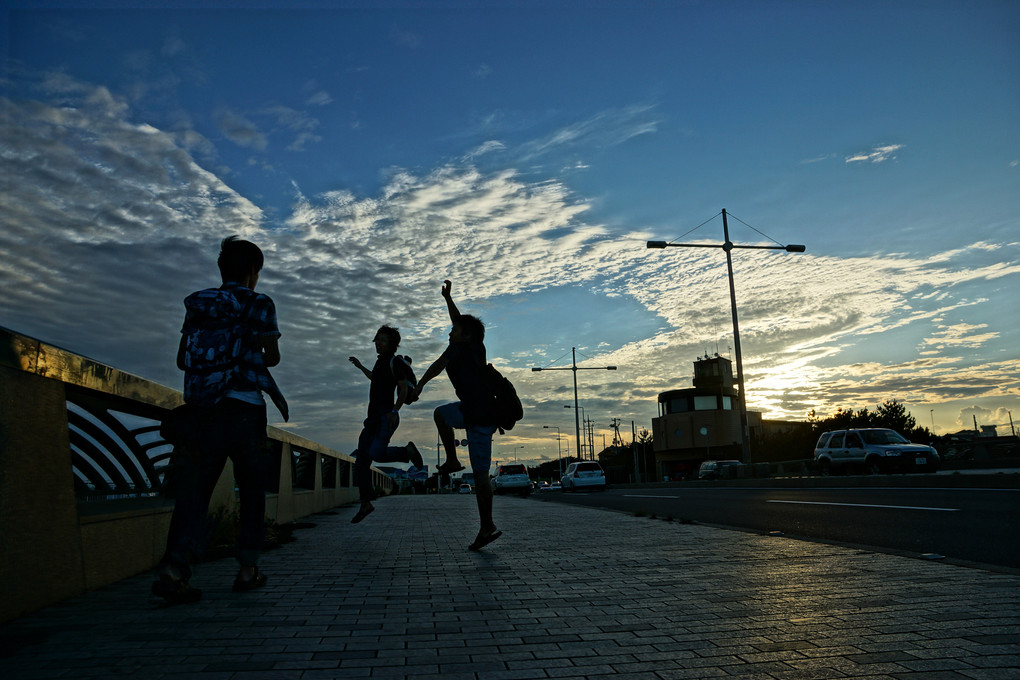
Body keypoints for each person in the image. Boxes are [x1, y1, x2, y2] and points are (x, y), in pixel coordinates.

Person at [153, 235, 288, 604]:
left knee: (194, 494)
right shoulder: (259, 303)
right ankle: (247, 570)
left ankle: (174, 569)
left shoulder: (200, 305)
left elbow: (183, 358)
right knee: (253, 494)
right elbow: (272, 358)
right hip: (245, 409)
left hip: (204, 412)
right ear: (252, 271)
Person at [415, 280, 501, 551]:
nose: (450, 332)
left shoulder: (457, 348)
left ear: (465, 336)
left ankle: (485, 525)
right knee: (480, 474)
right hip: (484, 413)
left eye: (454, 331)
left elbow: (438, 365)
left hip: (475, 416)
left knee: (479, 473)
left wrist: (419, 385)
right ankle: (486, 524)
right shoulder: (477, 345)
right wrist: (448, 299)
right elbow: (461, 322)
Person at [348, 325, 424, 523]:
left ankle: (406, 452)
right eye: (377, 340)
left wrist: (395, 410)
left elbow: (402, 388)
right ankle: (366, 503)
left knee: (377, 453)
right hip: (372, 419)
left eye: (382, 340)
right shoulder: (380, 363)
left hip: (386, 416)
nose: (378, 343)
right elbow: (375, 378)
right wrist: (360, 367)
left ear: (392, 344)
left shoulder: (394, 362)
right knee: (361, 462)